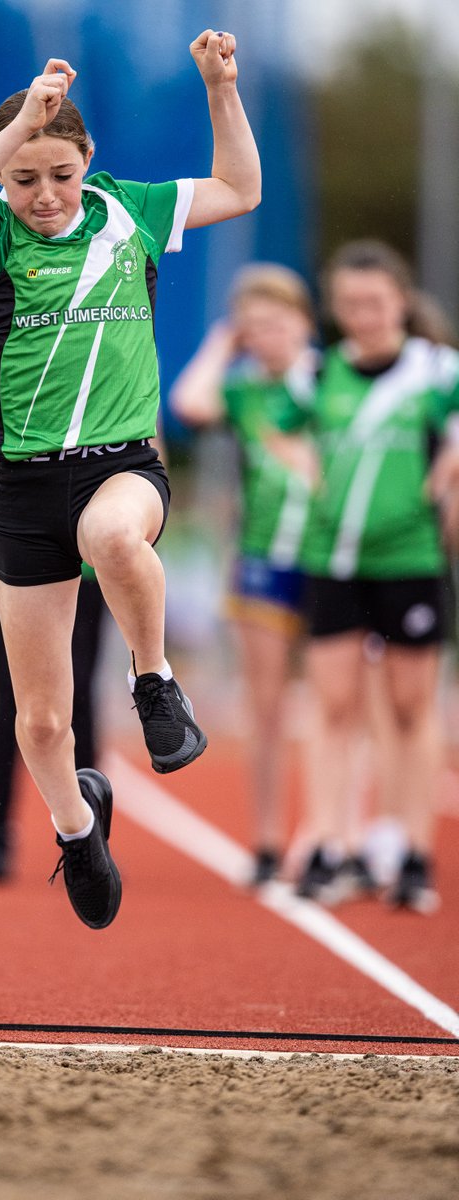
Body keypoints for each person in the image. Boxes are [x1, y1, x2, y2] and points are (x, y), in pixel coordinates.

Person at [0, 31, 260, 929]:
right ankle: (77, 829)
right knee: (39, 726)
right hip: (25, 487)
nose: (44, 195)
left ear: (88, 163)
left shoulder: (129, 209)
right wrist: (15, 132)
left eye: (60, 174)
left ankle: (155, 683)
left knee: (113, 539)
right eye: (26, 178)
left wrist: (221, 89)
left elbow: (240, 188)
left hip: (122, 464)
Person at [271, 240, 459, 912]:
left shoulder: (435, 371)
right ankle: (331, 842)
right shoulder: (319, 375)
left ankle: (413, 849)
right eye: (350, 304)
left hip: (410, 558)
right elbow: (279, 427)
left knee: (412, 708)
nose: (364, 315)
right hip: (335, 558)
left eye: (376, 303)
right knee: (333, 705)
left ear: (401, 303)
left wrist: (447, 480)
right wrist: (306, 471)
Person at [171, 265, 316, 885]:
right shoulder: (245, 388)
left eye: (277, 324)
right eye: (253, 327)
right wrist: (223, 343)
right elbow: (188, 404)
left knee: (347, 705)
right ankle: (267, 838)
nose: (266, 337)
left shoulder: (331, 382)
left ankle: (332, 835)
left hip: (335, 557)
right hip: (261, 558)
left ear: (304, 325)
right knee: (267, 706)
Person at [0, 436, 108, 881]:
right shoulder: (10, 365)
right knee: (10, 703)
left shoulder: (125, 366)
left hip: (88, 567)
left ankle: (90, 839)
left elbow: (148, 459)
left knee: (81, 696)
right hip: (17, 563)